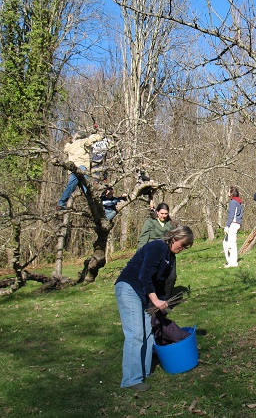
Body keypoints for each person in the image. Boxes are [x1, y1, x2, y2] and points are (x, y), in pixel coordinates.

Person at [114, 225, 194, 391]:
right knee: (135, 334)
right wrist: (155, 300)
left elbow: (160, 283)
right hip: (129, 288)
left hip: (143, 294)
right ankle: (130, 380)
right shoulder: (157, 247)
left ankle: (144, 371)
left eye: (186, 247)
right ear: (174, 237)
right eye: (183, 244)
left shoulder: (170, 257)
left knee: (148, 332)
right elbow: (145, 276)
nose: (182, 248)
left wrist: (161, 303)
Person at [57, 130, 103, 210]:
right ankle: (89, 194)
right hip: (82, 166)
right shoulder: (83, 141)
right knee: (87, 186)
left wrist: (68, 142)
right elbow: (91, 140)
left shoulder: (71, 145)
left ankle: (61, 203)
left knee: (70, 186)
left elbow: (65, 150)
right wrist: (100, 135)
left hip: (73, 169)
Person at [223, 186, 243, 268]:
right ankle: (230, 261)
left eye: (228, 191)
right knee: (226, 243)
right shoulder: (239, 201)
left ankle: (233, 262)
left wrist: (227, 226)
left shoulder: (233, 202)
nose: (227, 192)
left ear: (231, 193)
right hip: (236, 223)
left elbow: (231, 215)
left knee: (231, 244)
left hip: (233, 224)